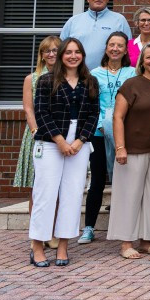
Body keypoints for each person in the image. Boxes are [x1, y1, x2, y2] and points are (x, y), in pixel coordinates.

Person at [28, 38, 100, 268]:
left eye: (77, 52)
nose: (72, 56)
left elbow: (93, 114)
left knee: (72, 195)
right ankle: (38, 247)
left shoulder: (90, 81)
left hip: (78, 143)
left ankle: (63, 246)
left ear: (82, 55)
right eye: (68, 52)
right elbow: (41, 113)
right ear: (60, 56)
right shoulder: (46, 81)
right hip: (51, 142)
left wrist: (80, 141)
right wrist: (59, 141)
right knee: (45, 195)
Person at [108, 43, 150, 260]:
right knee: (129, 195)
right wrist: (120, 147)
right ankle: (126, 242)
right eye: (149, 58)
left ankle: (147, 241)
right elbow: (117, 117)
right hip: (132, 148)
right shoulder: (131, 84)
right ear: (142, 61)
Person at [80, 32, 135, 244]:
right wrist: (102, 125)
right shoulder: (94, 74)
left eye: (120, 45)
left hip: (124, 134)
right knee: (97, 181)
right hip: (98, 134)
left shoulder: (132, 73)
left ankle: (125, 226)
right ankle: (89, 227)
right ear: (106, 48)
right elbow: (91, 104)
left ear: (125, 49)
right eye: (112, 45)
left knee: (124, 180)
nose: (115, 49)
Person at [13, 37, 61, 191]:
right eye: (47, 51)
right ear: (42, 54)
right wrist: (35, 131)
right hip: (38, 133)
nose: (51, 54)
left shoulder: (68, 77)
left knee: (58, 185)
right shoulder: (32, 78)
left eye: (55, 50)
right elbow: (28, 108)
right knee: (38, 186)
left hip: (61, 132)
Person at [60, 0, 131, 69]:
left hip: (108, 76)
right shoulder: (73, 21)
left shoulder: (119, 20)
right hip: (77, 75)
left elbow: (129, 50)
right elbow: (61, 50)